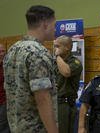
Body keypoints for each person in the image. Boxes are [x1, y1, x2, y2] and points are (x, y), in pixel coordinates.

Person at [3, 5, 58, 133]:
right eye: (54, 25)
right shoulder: (38, 53)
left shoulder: (12, 50)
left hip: (16, 127)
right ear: (45, 24)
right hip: (36, 128)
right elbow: (42, 98)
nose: (55, 29)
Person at [54, 35, 83, 133]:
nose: (55, 49)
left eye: (57, 46)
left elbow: (66, 72)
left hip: (65, 104)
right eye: (55, 46)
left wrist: (57, 56)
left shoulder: (75, 62)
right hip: (54, 101)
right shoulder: (54, 62)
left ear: (67, 47)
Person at [0, 44, 10, 133]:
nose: (2, 54)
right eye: (0, 51)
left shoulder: (8, 65)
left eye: (3, 51)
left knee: (4, 126)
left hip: (5, 100)